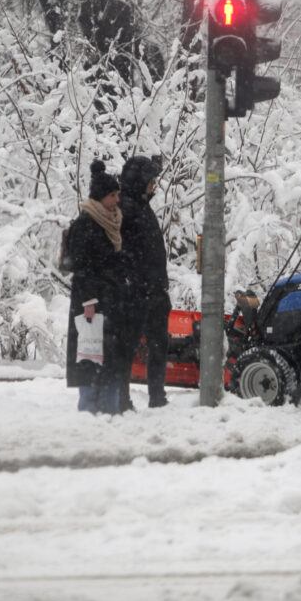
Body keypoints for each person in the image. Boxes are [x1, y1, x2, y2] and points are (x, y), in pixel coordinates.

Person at [66, 160, 129, 414]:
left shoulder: (112, 222)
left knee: (109, 361)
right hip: (93, 306)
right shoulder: (86, 224)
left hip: (111, 302)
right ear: (100, 197)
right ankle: (90, 414)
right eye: (112, 196)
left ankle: (108, 412)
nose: (116, 200)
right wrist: (89, 301)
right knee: (92, 360)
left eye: (117, 195)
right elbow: (82, 267)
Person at [116, 155, 170, 410]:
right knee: (128, 345)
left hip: (154, 290)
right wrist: (132, 281)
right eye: (151, 180)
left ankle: (157, 396)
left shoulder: (141, 206)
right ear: (140, 181)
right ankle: (122, 398)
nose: (154, 184)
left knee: (159, 344)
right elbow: (119, 251)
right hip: (137, 292)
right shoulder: (125, 208)